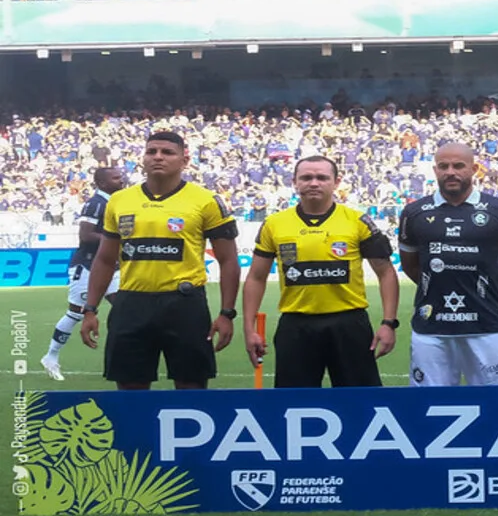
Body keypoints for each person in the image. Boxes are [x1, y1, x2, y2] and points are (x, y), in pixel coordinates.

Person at [79, 131, 240, 390]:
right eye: (151, 151)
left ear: (184, 160)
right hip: (131, 303)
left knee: (191, 387)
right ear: (142, 158)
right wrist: (90, 309)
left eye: (167, 152)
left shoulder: (206, 201)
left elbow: (228, 260)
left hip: (185, 304)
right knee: (130, 390)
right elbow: (106, 259)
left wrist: (226, 313)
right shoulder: (120, 201)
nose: (158, 157)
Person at [242, 155, 399, 388]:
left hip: (349, 324)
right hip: (296, 325)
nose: (314, 183)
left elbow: (385, 272)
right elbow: (256, 277)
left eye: (322, 178)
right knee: (294, 403)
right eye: (306, 177)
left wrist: (388, 323)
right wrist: (249, 329)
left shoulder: (357, 221)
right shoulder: (275, 223)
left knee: (360, 401)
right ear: (294, 182)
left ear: (336, 182)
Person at [397, 142, 498, 386]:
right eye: (443, 166)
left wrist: (489, 291)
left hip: (487, 325)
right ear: (435, 170)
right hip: (431, 327)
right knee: (430, 402)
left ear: (474, 169)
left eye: (458, 166)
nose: (450, 172)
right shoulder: (413, 212)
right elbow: (411, 265)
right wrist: (436, 287)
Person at [41, 166, 127, 380]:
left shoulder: (115, 202)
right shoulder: (95, 204)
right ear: (103, 183)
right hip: (87, 266)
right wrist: (116, 240)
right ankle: (51, 356)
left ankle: (127, 356)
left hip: (111, 267)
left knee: (125, 307)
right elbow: (86, 235)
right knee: (76, 312)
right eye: (116, 178)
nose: (122, 180)